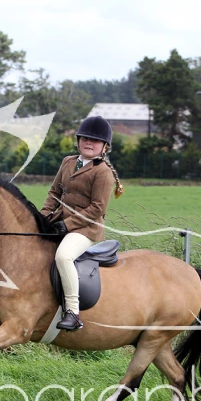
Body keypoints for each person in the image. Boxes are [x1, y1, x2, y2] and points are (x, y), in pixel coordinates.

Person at [40, 116, 124, 331]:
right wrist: (43, 216)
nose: (89, 142)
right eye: (85, 138)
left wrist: (67, 225)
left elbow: (98, 208)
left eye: (94, 140)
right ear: (78, 140)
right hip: (61, 222)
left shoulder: (102, 172)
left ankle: (73, 313)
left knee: (63, 256)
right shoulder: (68, 162)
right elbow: (54, 192)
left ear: (104, 146)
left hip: (87, 228)